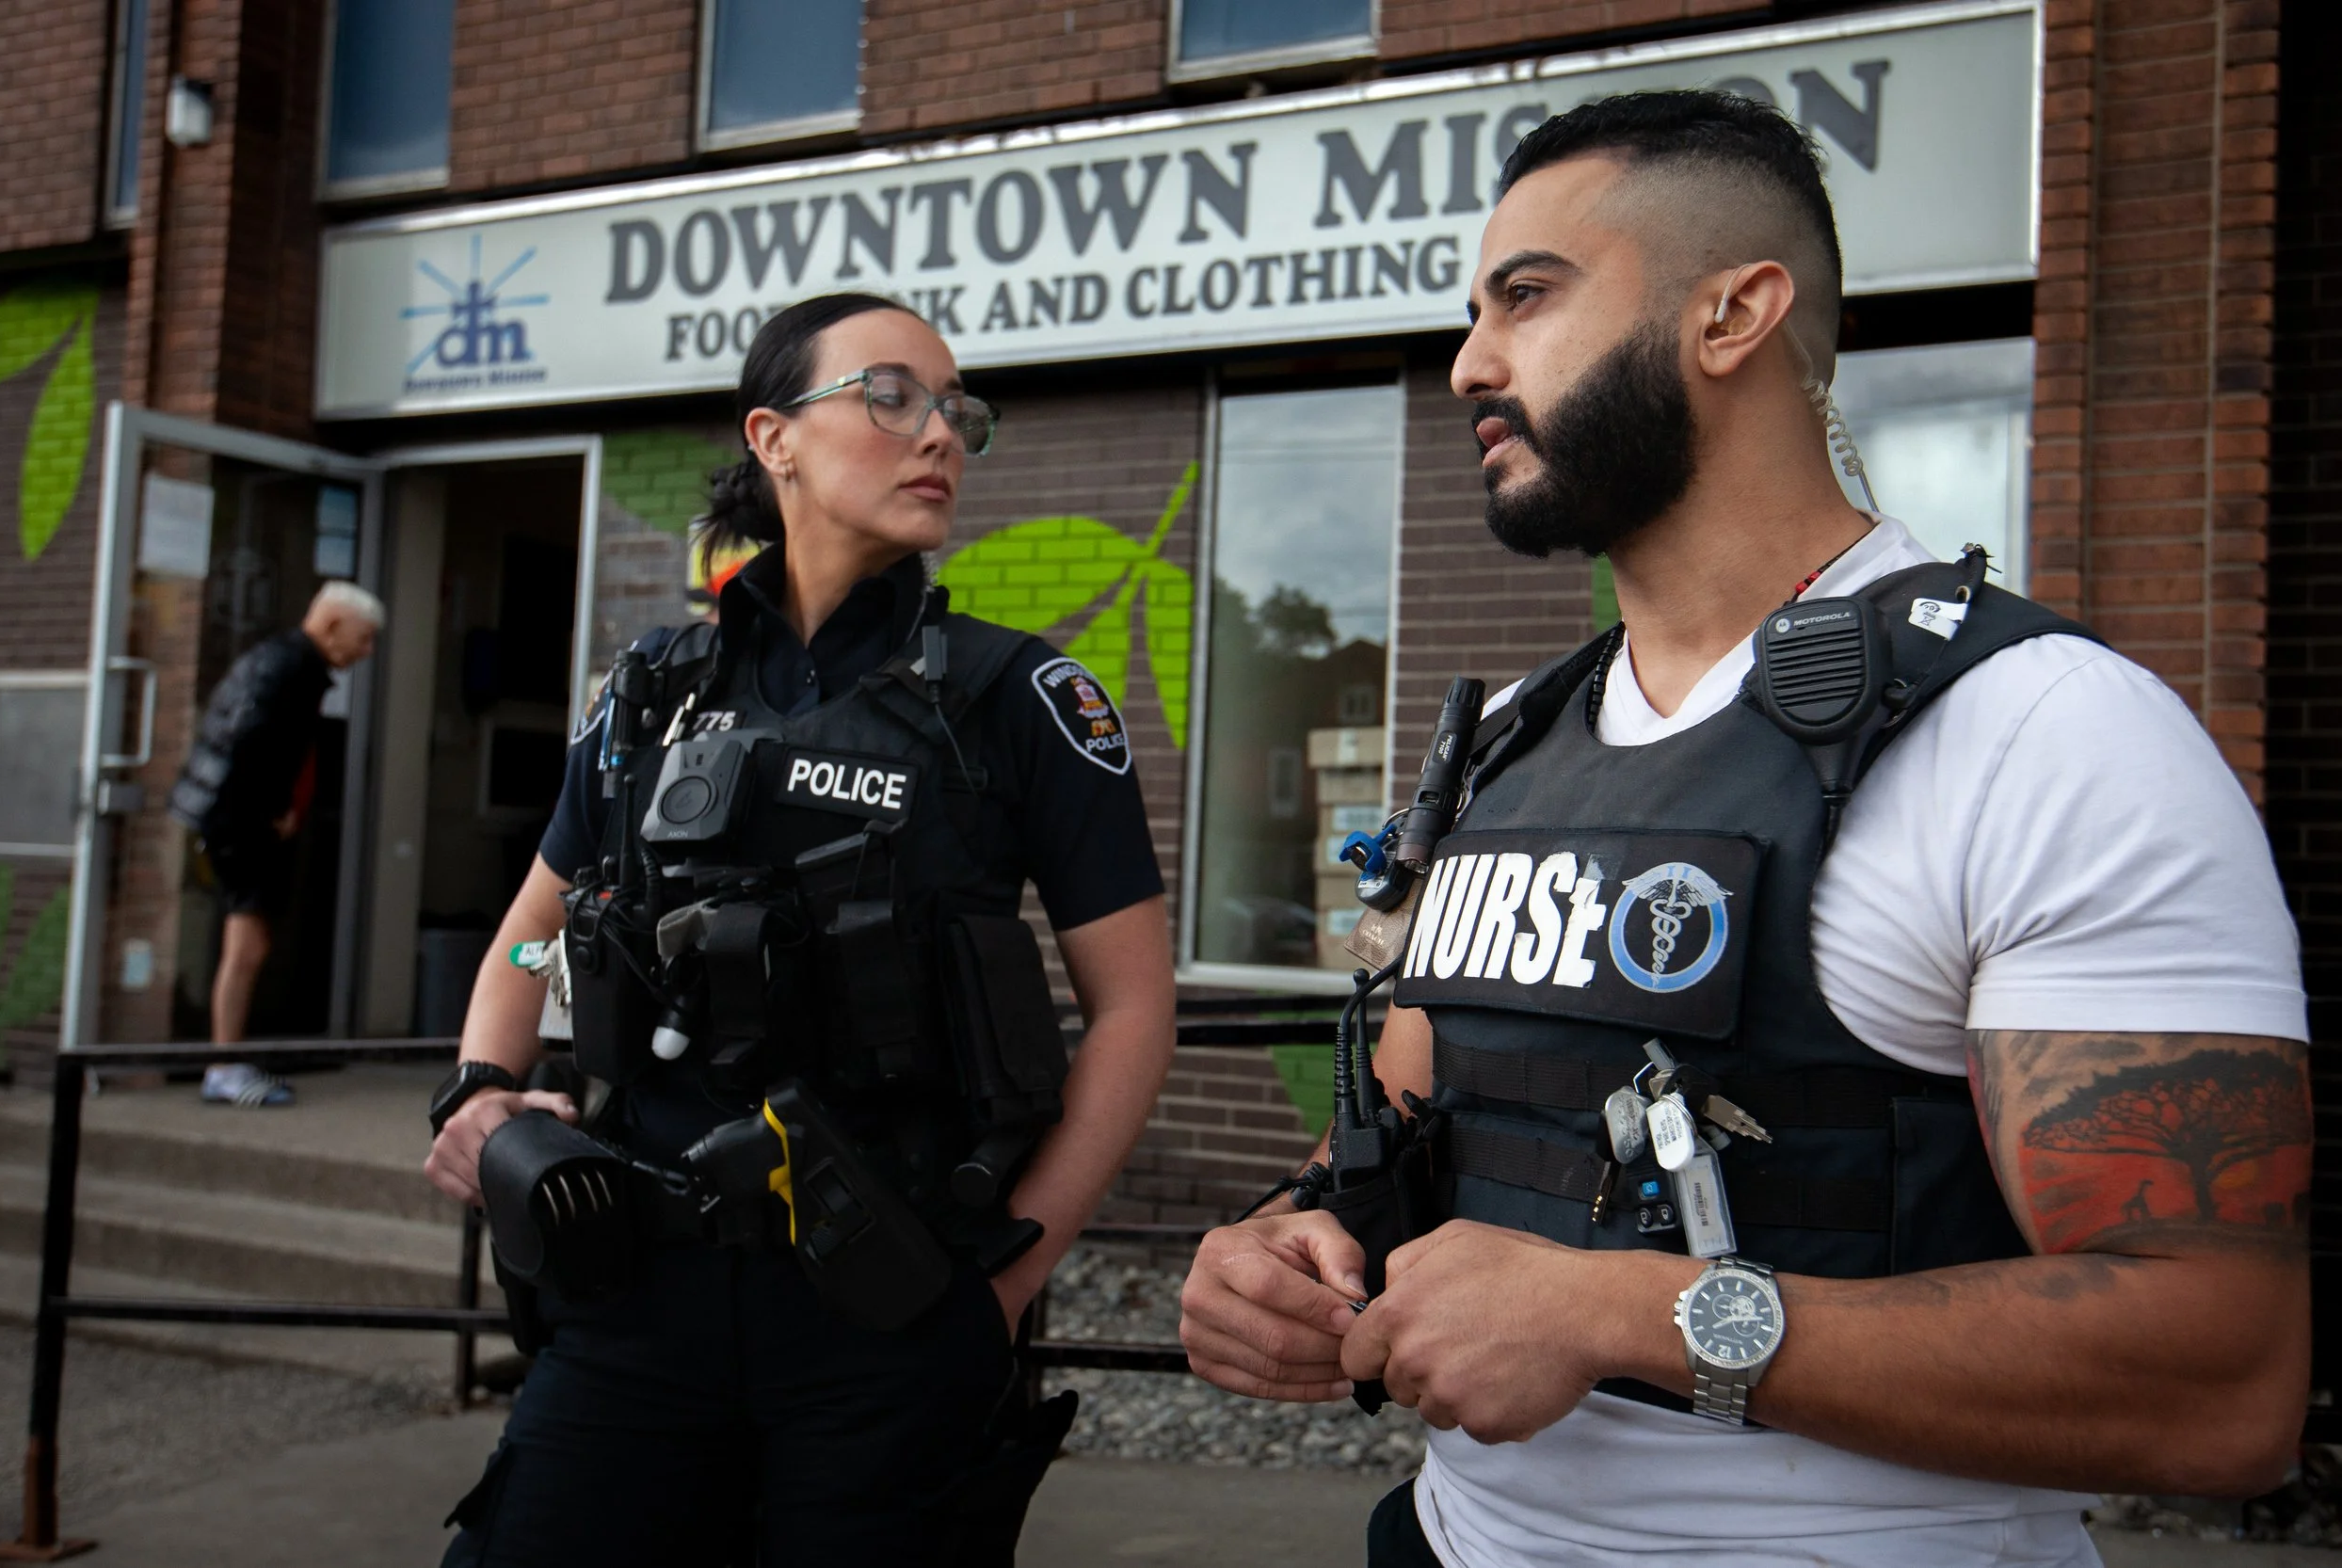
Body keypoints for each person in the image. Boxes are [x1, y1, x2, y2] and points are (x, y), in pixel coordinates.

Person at [1179, 90, 2312, 1568]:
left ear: (1734, 313)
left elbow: (2220, 1379)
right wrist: (1277, 1249)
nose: (1471, 362)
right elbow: (1392, 1144)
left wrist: (1627, 1313)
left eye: (1529, 294)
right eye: (1476, 309)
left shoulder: (2048, 734)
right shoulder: (1511, 742)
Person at [421, 293, 1177, 1565]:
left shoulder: (1023, 699)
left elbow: (1134, 1010)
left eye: (957, 410)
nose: (939, 433)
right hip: (632, 1299)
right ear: (774, 438)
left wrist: (999, 1290)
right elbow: (537, 933)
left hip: (886, 1310)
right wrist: (483, 1085)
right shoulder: (653, 689)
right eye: (892, 396)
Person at [169, 581, 384, 1107]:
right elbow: (250, 738)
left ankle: (227, 1060)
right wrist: (274, 811)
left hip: (229, 814)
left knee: (250, 942)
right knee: (247, 944)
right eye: (364, 637)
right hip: (239, 820)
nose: (367, 650)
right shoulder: (289, 668)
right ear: (332, 625)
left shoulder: (286, 662)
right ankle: (222, 1065)